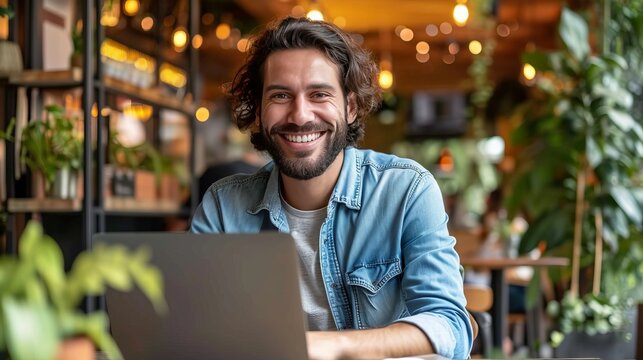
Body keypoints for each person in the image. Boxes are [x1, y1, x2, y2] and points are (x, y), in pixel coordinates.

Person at [191, 16, 473, 359]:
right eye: (280, 95)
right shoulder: (223, 206)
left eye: (319, 94)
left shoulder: (406, 190)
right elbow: (195, 328)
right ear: (261, 112)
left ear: (350, 107)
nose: (300, 115)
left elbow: (450, 325)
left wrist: (337, 346)